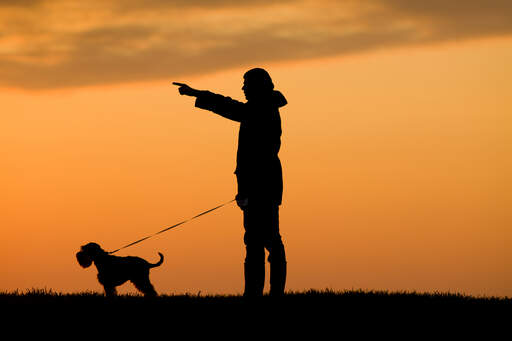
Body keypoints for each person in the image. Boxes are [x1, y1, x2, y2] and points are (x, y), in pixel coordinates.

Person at [173, 68, 287, 297]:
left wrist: (198, 94)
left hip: (261, 187)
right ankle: (260, 294)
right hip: (260, 186)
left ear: (258, 86)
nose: (243, 88)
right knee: (260, 241)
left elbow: (231, 108)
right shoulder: (262, 107)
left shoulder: (261, 109)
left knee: (264, 241)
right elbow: (233, 107)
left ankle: (263, 294)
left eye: (246, 84)